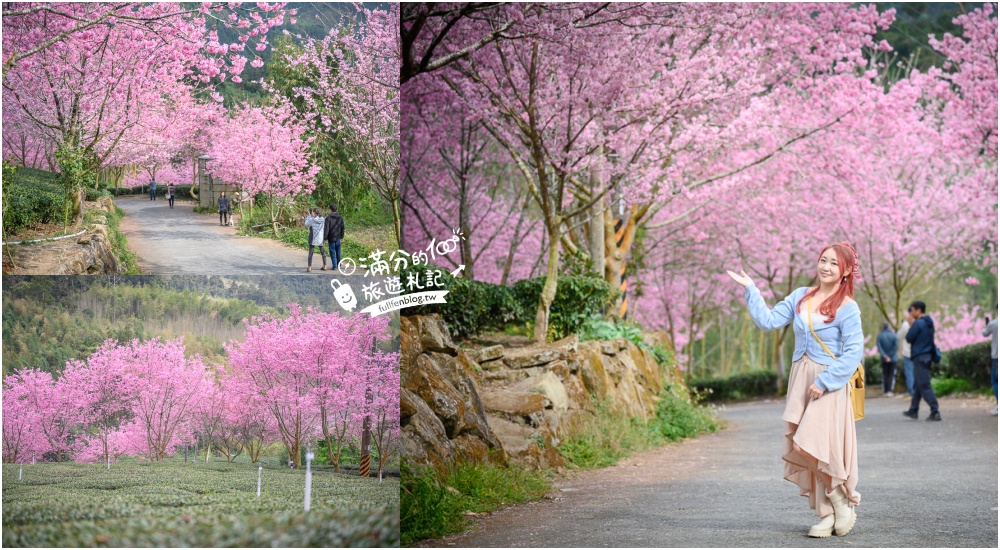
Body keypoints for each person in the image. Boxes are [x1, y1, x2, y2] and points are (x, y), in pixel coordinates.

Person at [727, 241, 862, 538]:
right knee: (808, 445)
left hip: (828, 382)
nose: (825, 267)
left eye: (833, 264)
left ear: (846, 272)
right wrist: (752, 289)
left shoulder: (848, 307)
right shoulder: (801, 296)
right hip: (800, 377)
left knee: (808, 444)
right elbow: (768, 321)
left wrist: (825, 382)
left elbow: (853, 353)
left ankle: (840, 499)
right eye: (823, 260)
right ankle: (827, 511)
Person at [903, 301, 941, 421]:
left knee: (924, 385)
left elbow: (909, 338)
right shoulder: (929, 322)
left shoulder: (918, 323)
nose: (911, 312)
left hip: (920, 357)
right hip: (928, 356)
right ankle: (913, 410)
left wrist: (911, 325)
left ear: (919, 310)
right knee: (919, 384)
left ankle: (935, 411)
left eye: (912, 310)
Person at [876, 322, 898, 397]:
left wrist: (885, 356)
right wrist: (890, 356)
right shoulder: (894, 335)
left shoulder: (880, 336)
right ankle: (889, 390)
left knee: (885, 374)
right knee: (891, 374)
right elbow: (895, 347)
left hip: (884, 359)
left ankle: (885, 390)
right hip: (893, 358)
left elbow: (879, 347)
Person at [983, 316, 998, 415]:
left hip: (997, 356)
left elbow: (984, 333)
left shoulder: (994, 323)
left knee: (996, 381)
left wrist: (987, 325)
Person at [305, 208, 327, 272]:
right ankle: (325, 266)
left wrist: (309, 216)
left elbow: (306, 224)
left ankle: (309, 267)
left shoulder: (312, 219)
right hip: (320, 238)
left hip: (313, 238)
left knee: (311, 252)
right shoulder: (323, 219)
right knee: (323, 252)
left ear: (314, 212)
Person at [896, 318, 914, 396]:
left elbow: (898, 336)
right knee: (916, 372)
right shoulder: (918, 322)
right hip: (916, 352)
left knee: (909, 373)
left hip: (907, 353)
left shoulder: (905, 325)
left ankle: (912, 391)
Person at [324, 204, 345, 270]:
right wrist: (342, 237)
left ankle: (335, 266)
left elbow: (326, 229)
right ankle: (339, 264)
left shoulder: (328, 218)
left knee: (332, 252)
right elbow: (342, 228)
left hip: (331, 238)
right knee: (338, 251)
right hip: (338, 237)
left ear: (330, 210)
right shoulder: (340, 217)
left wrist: (325, 238)